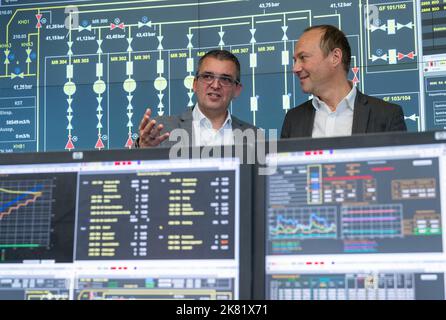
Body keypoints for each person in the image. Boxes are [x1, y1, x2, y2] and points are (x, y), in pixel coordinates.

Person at [281, 25, 407, 139]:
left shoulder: (387, 116)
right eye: (295, 60)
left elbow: (399, 164)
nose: (295, 68)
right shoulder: (293, 119)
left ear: (335, 57)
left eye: (303, 58)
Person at [134, 49, 257, 148]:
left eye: (225, 79)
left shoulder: (255, 136)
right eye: (208, 76)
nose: (215, 85)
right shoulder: (161, 130)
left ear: (237, 90)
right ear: (194, 84)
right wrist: (142, 150)